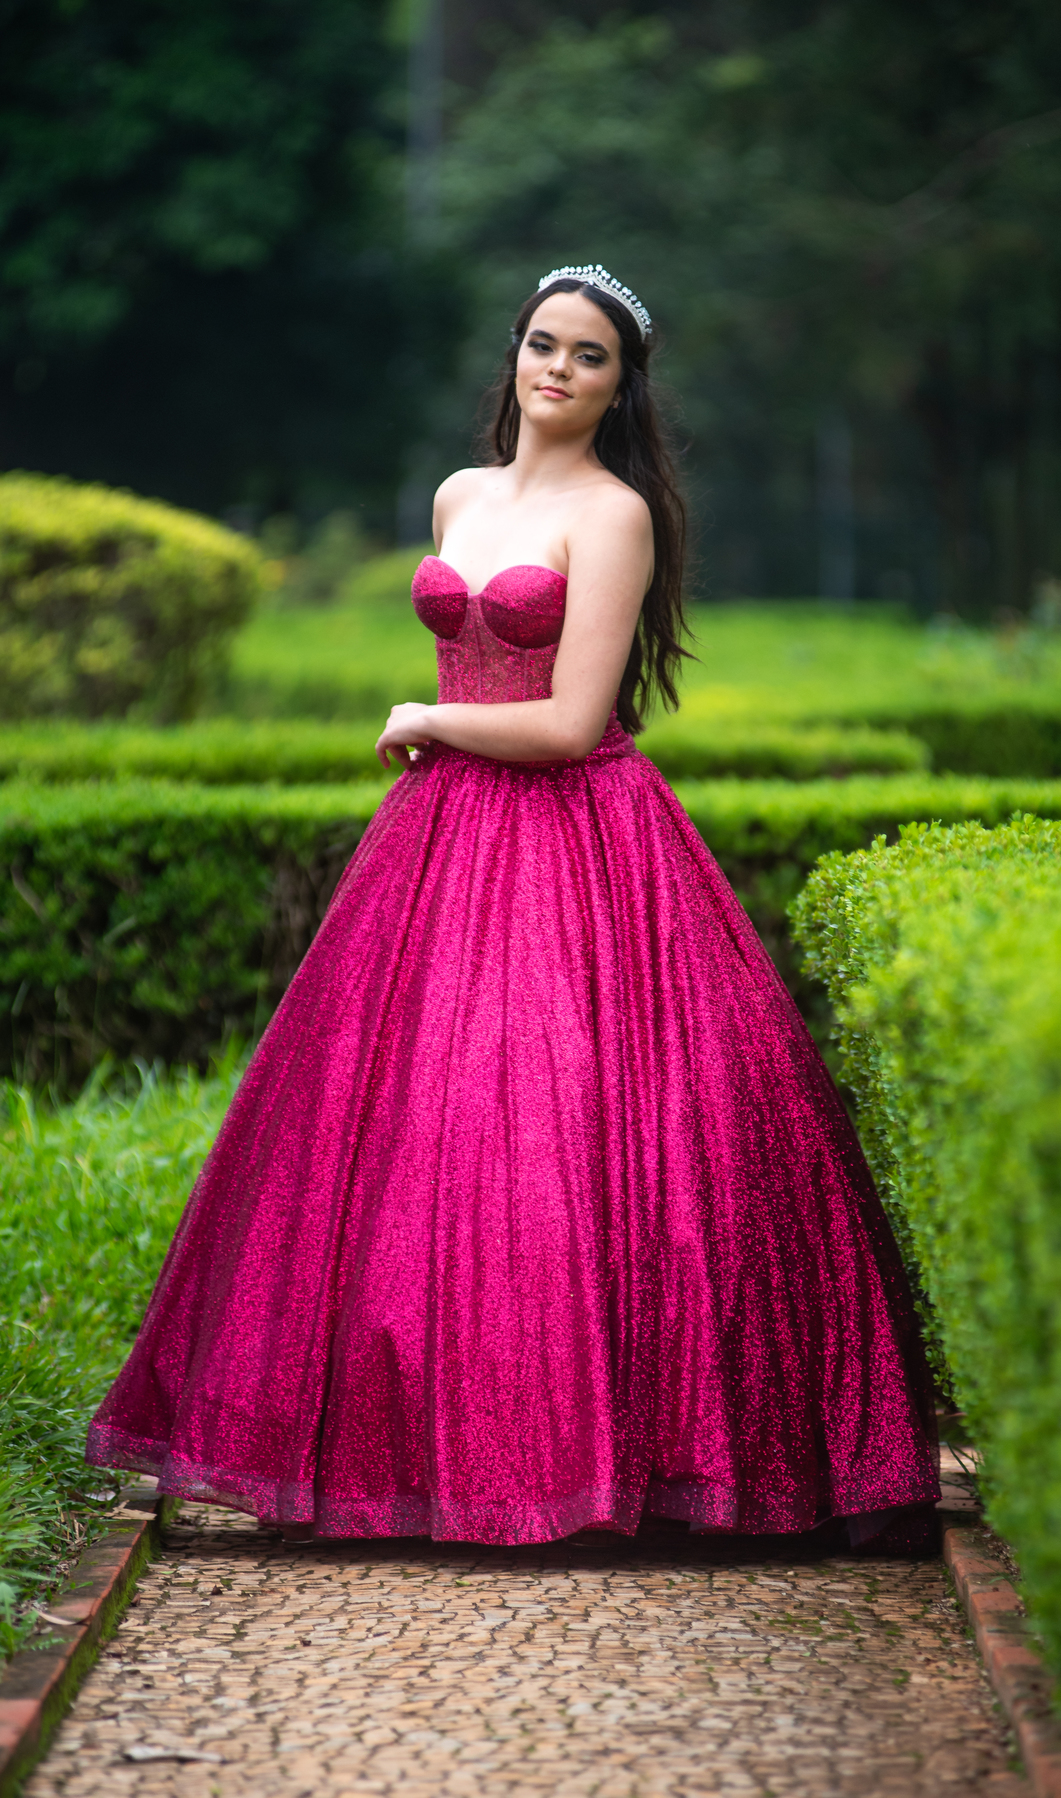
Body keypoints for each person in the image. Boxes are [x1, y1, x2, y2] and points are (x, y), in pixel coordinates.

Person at [87, 264, 940, 1547]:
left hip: (574, 833)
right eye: (544, 344)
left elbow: (569, 723)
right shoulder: (460, 495)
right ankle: (409, 1446)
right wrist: (439, 724)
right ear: (517, 355)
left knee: (562, 1124)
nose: (558, 368)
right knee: (404, 1131)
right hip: (438, 840)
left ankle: (599, 1457)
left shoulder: (615, 517)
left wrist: (430, 715)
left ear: (619, 385)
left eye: (589, 356)